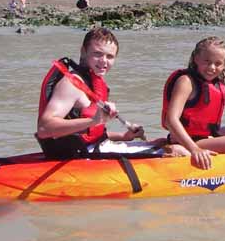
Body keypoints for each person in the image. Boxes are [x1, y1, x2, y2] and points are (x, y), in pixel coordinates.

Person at [37, 28, 176, 159]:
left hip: (94, 148)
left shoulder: (93, 81)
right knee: (177, 152)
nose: (104, 61)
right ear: (83, 51)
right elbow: (44, 128)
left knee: (163, 143)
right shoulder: (71, 84)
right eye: (98, 54)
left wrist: (123, 137)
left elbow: (90, 134)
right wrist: (94, 121)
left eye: (110, 56)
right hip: (81, 156)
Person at [162, 36, 225, 169]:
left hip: (202, 137)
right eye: (207, 61)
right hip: (188, 140)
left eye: (218, 63)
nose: (212, 67)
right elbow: (171, 120)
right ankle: (181, 149)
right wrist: (194, 149)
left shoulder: (215, 83)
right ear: (196, 58)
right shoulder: (186, 81)